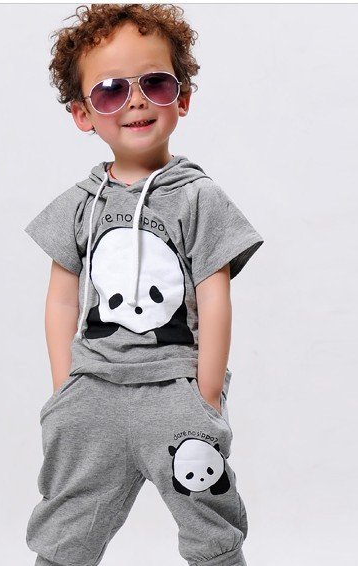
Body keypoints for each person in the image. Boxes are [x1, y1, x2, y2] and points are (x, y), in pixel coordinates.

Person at [24, 4, 264, 566]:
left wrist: (205, 396)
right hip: (92, 392)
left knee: (208, 518)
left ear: (182, 98)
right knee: (67, 523)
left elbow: (215, 294)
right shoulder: (79, 204)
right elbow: (61, 297)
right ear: (83, 113)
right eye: (110, 91)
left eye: (154, 83)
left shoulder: (199, 197)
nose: (135, 101)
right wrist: (65, 389)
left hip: (174, 390)